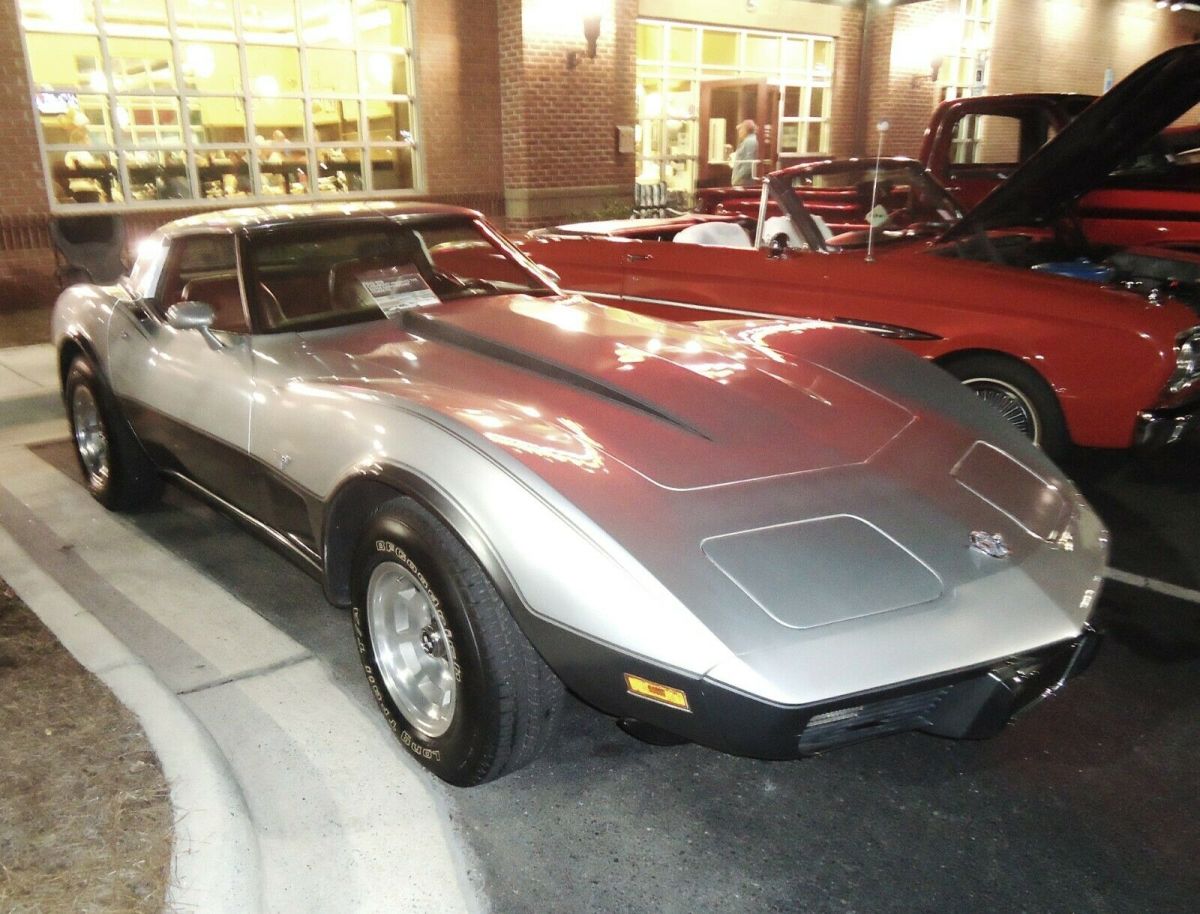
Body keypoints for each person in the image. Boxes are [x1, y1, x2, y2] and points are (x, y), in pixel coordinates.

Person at [730, 119, 759, 186]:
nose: (739, 132)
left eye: (741, 129)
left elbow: (748, 164)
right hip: (742, 181)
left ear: (746, 130)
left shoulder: (750, 141)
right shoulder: (748, 141)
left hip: (743, 182)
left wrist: (737, 179)